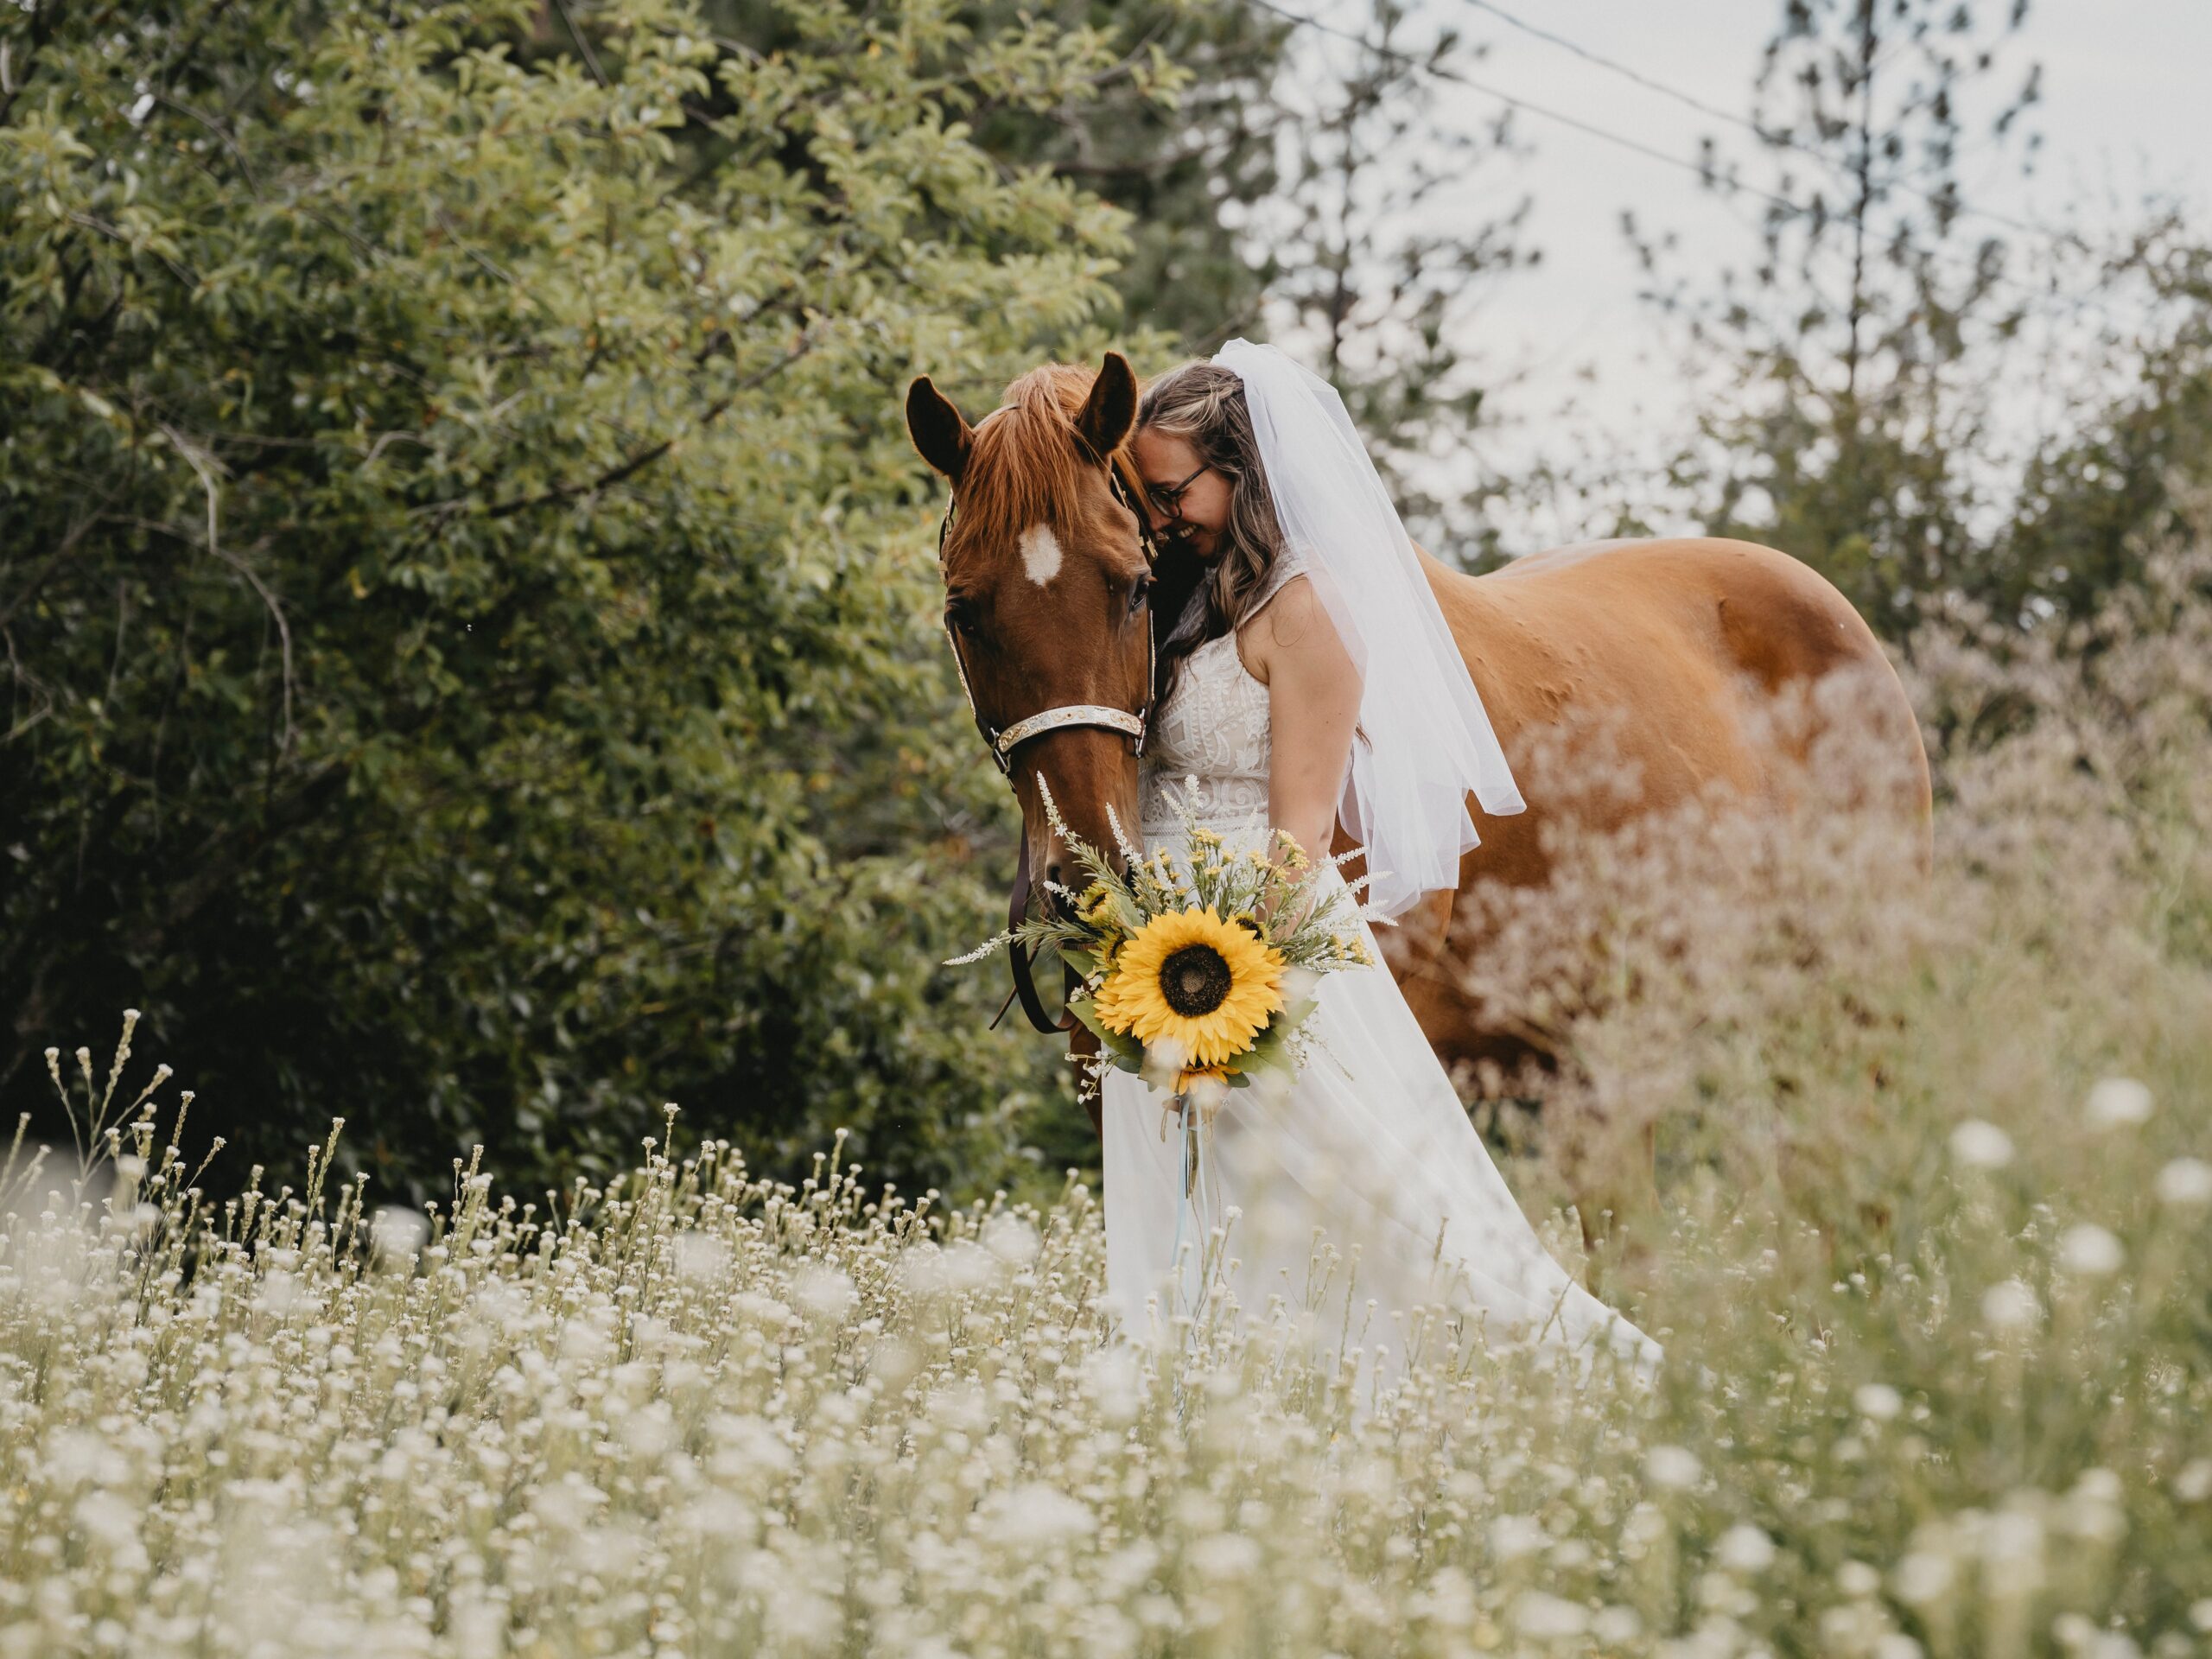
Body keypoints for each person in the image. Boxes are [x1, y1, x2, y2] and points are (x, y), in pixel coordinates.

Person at [1099, 340, 1662, 1394]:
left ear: (1242, 473)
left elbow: (1300, 832)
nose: (1158, 513)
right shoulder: (1180, 609)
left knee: (1360, 1191)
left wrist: (1228, 987)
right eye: (1144, 493)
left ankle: (1568, 1378)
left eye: (1173, 490)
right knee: (1187, 1196)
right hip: (1161, 953)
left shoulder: (1309, 612)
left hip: (1245, 953)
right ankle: (1198, 1402)